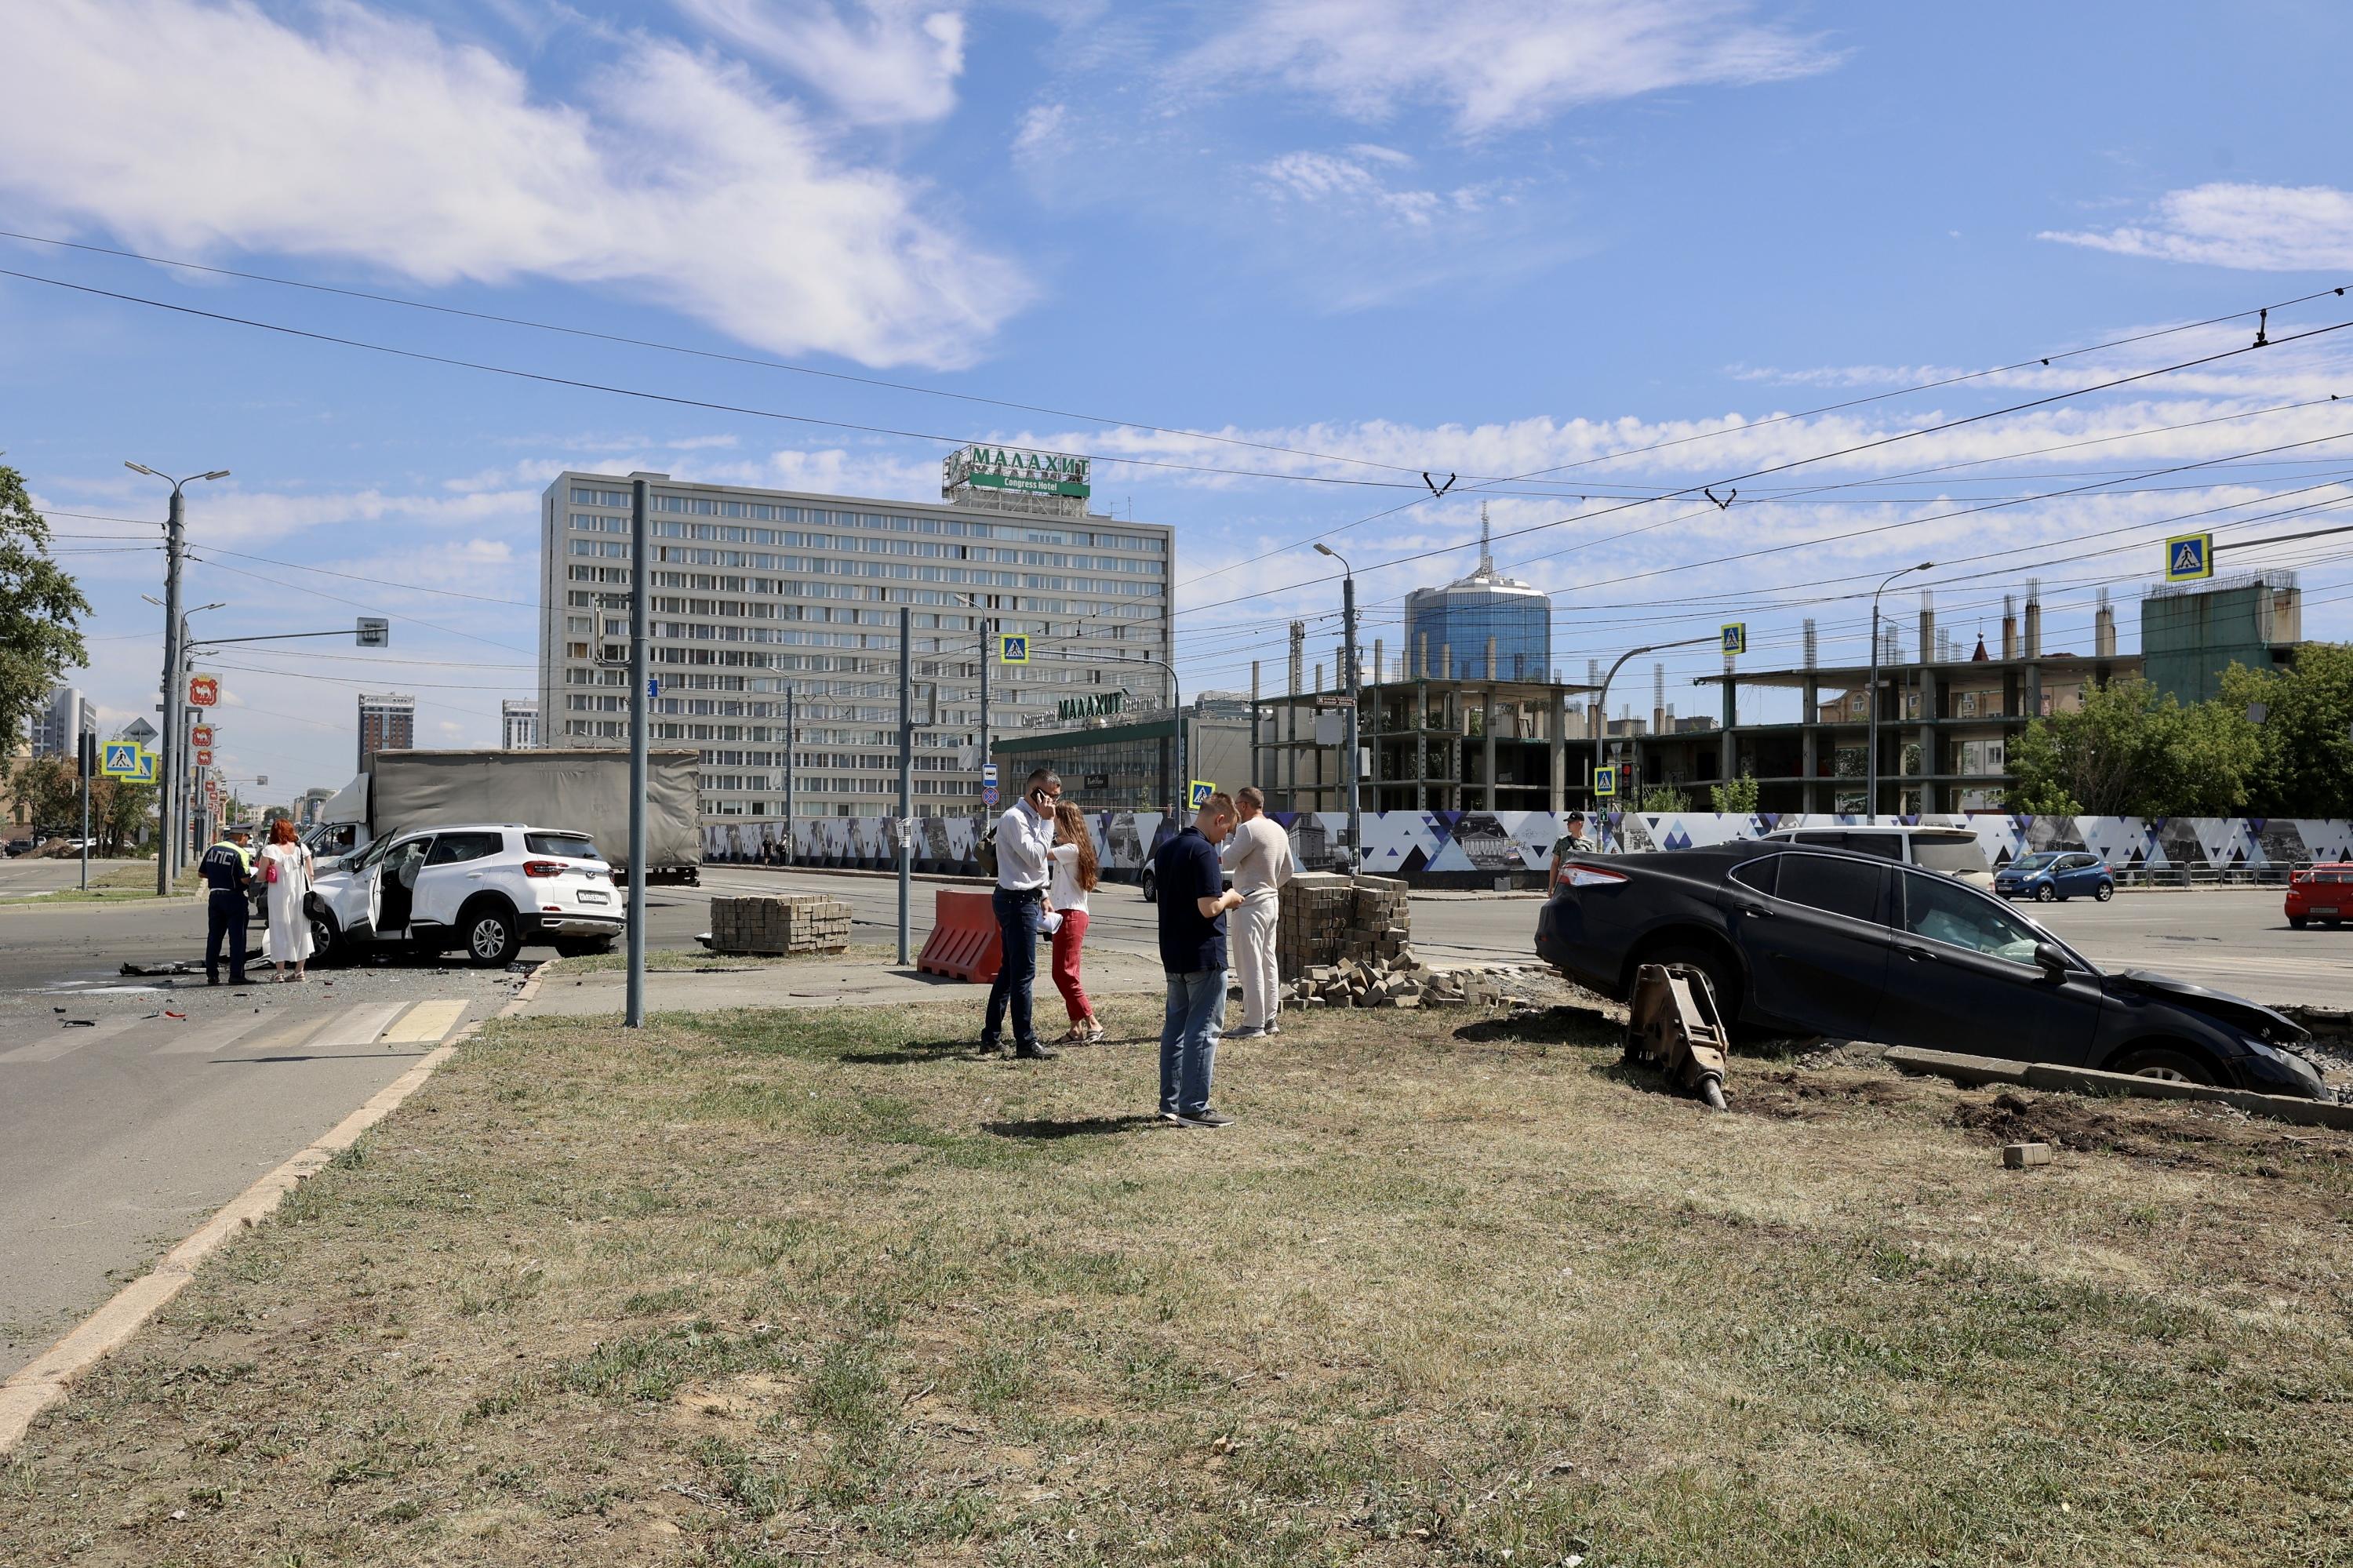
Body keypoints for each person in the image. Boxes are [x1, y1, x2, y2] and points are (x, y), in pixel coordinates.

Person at [1155, 791, 1245, 1127]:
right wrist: (1230, 898)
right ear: (1219, 819)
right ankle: (1195, 1107)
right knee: (1204, 1030)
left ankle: (1171, 1103)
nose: (1226, 838)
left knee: (1175, 1029)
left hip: (1173, 952)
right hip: (1204, 954)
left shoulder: (1167, 848)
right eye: (1227, 830)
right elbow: (1207, 908)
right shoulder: (1204, 851)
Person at [982, 767, 1062, 1060]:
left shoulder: (1034, 818)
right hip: (1015, 901)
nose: (1054, 803)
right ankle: (1025, 1042)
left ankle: (990, 1037)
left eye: (1057, 798)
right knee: (1023, 974)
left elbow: (1033, 868)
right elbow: (1034, 855)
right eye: (1051, 797)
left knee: (1010, 971)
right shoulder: (1015, 818)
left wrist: (1043, 895)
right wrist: (1049, 822)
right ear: (1036, 793)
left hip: (1026, 897)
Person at [1220, 785, 1292, 1039]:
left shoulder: (1248, 829)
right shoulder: (1278, 830)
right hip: (1271, 900)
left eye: (1237, 805)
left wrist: (1229, 834)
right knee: (1267, 960)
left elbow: (1227, 861)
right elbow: (1289, 870)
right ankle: (1270, 1018)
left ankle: (1253, 1023)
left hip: (1250, 903)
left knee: (1249, 964)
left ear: (1243, 806)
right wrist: (1270, 886)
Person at [1046, 800, 1104, 1046]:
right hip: (1067, 914)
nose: (1054, 823)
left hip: (1071, 915)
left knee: (1064, 974)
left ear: (1064, 821)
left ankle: (1093, 1023)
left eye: (1056, 819)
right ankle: (1075, 1028)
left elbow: (1040, 853)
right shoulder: (1073, 847)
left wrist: (1044, 822)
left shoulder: (1071, 849)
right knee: (1069, 974)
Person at [258, 818, 315, 981]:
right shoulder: (302, 849)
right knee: (301, 930)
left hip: (279, 896)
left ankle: (280, 973)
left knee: (279, 931)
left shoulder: (270, 851)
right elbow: (311, 874)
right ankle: (299, 971)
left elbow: (261, 876)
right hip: (300, 896)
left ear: (273, 833)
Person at [198, 824, 255, 986]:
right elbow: (244, 879)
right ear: (242, 836)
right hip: (234, 898)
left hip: (215, 897)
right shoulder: (240, 853)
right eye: (247, 838)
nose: (247, 841)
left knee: (214, 937)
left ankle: (212, 975)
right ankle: (236, 975)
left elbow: (201, 873)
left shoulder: (213, 849)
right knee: (237, 939)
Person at [1549, 810, 1599, 888]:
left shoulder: (1590, 844)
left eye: (1571, 822)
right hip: (1563, 883)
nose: (1568, 824)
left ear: (1579, 824)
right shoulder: (1562, 841)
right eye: (1568, 822)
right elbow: (1555, 863)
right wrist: (1551, 885)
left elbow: (1593, 869)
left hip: (1582, 885)